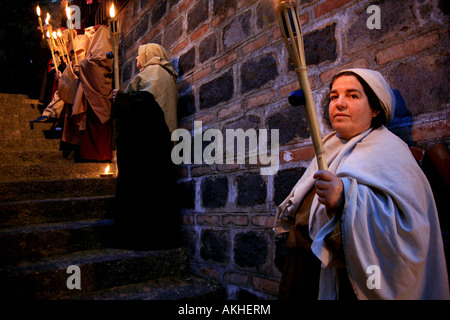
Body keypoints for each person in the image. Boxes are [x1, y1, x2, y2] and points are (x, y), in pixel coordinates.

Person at [275, 68, 450, 300]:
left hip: (347, 287)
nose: (339, 103)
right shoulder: (328, 147)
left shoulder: (391, 151)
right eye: (334, 96)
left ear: (376, 108)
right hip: (303, 277)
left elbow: (410, 229)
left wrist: (346, 197)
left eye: (353, 96)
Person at [110, 43, 181, 251]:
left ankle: (141, 239)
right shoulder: (162, 75)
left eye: (139, 55)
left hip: (150, 147)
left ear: (149, 55)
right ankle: (156, 238)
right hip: (157, 144)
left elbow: (145, 107)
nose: (135, 59)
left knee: (144, 191)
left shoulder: (157, 73)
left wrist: (120, 98)